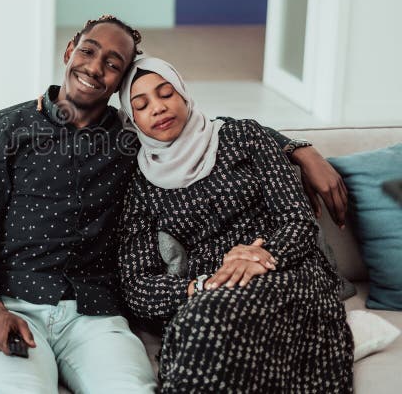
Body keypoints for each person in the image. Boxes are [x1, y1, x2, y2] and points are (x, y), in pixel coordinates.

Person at [0, 15, 348, 394]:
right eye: (88, 51)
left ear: (119, 83)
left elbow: (206, 129)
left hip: (95, 314)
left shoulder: (132, 142)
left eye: (112, 63)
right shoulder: (6, 127)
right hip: (15, 300)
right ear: (69, 50)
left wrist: (298, 149)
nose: (94, 67)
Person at [116, 57, 353, 393]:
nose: (158, 107)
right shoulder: (142, 184)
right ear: (133, 119)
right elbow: (137, 285)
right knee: (202, 318)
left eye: (166, 93)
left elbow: (297, 220)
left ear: (183, 94)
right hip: (212, 291)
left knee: (203, 322)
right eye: (141, 105)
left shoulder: (244, 136)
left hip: (288, 271)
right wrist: (202, 286)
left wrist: (257, 257)